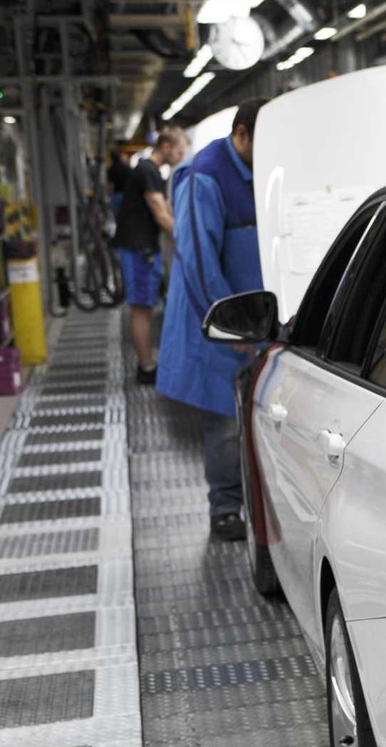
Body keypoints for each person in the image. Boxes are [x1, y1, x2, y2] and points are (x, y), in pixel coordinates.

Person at [158, 99, 269, 542]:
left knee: (263, 414)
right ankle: (225, 507)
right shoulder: (205, 174)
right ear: (241, 134)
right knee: (226, 417)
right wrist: (229, 319)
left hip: (262, 316)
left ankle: (262, 501)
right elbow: (198, 257)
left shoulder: (269, 166)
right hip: (224, 318)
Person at [111, 130, 185, 384]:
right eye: (179, 150)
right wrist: (191, 241)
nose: (181, 156)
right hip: (139, 249)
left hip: (140, 247)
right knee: (141, 309)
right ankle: (146, 367)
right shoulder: (148, 172)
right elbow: (162, 215)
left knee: (144, 307)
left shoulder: (149, 171)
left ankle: (147, 363)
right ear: (165, 146)